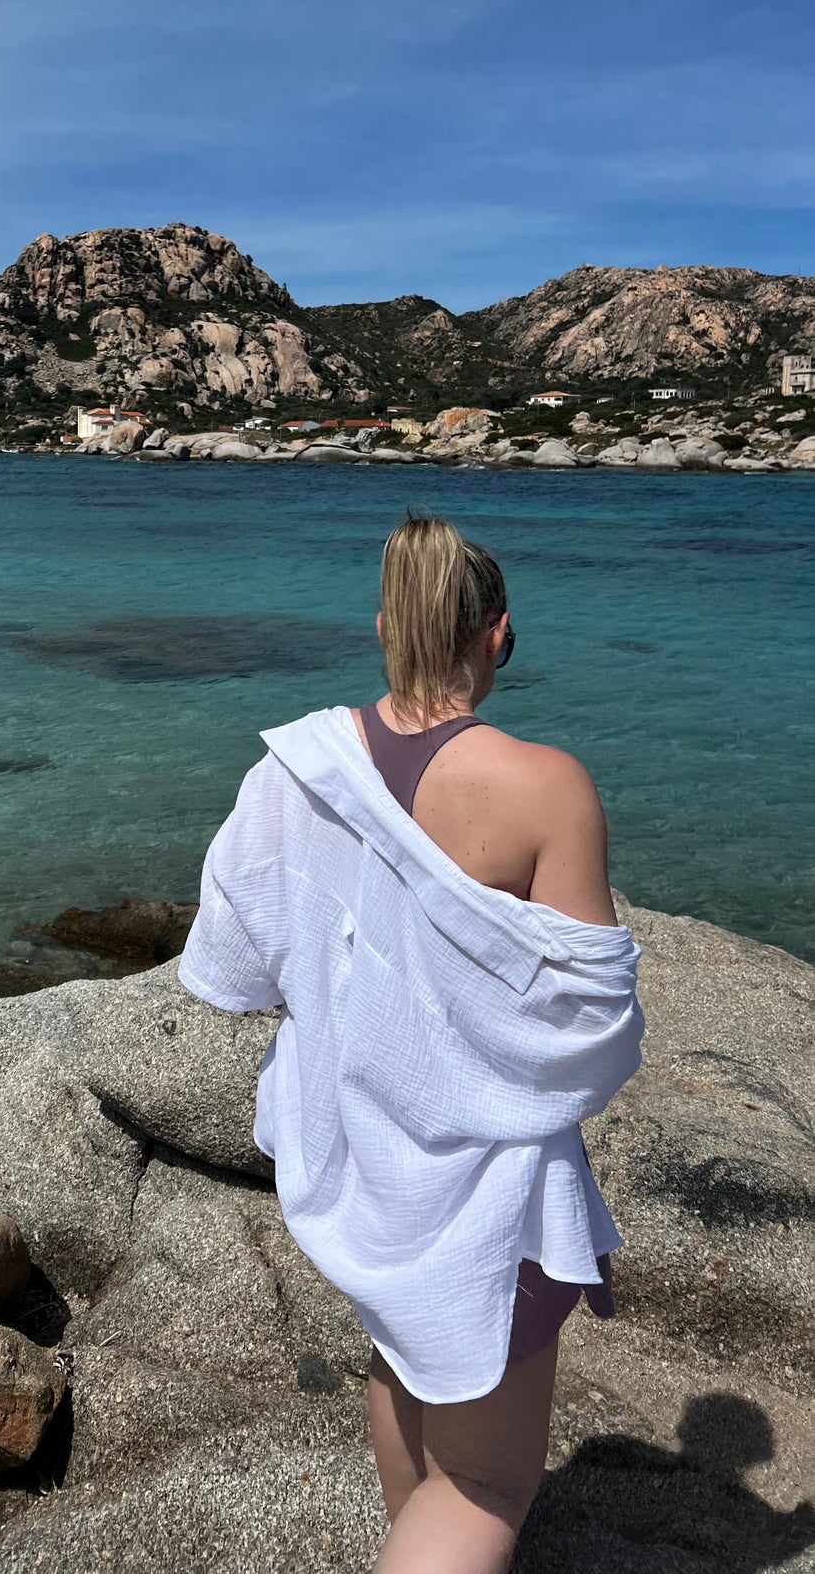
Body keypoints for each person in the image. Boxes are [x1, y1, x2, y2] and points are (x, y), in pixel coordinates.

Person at [178, 512, 644, 1574]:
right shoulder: (541, 786)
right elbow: (588, 1026)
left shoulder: (290, 771)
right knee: (484, 1481)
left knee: (404, 1362)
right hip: (482, 1183)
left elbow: (228, 963)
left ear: (385, 623)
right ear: (498, 636)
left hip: (358, 1158)